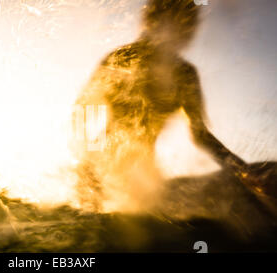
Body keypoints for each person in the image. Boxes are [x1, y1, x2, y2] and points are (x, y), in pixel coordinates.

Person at [72, 0, 250, 211]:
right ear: (153, 20)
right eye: (183, 21)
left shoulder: (185, 74)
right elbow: (85, 109)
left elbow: (200, 134)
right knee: (94, 231)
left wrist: (244, 171)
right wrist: (91, 162)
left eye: (192, 22)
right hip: (100, 167)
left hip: (145, 176)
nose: (190, 30)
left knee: (149, 232)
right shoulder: (121, 59)